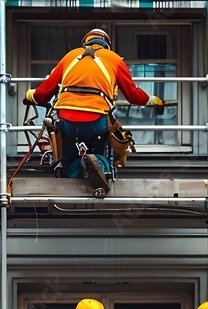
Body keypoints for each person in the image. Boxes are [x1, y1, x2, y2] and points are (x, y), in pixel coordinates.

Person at [24, 28, 163, 194]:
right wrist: (151, 100)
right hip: (95, 119)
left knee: (67, 161)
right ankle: (97, 164)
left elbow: (43, 93)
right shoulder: (114, 59)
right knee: (99, 152)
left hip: (66, 119)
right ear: (107, 45)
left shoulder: (70, 56)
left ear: (85, 43)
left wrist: (30, 95)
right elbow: (133, 95)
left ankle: (79, 169)